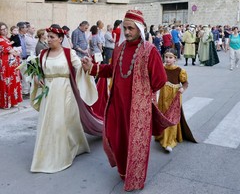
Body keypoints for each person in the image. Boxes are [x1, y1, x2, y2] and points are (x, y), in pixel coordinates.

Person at [82, 10, 168, 191]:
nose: (127, 32)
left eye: (131, 28)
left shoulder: (149, 51)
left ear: (139, 29)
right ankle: (123, 170)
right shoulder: (119, 48)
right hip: (117, 103)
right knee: (115, 136)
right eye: (125, 28)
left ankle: (134, 176)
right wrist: (92, 68)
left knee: (135, 142)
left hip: (138, 107)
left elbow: (160, 80)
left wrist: (143, 92)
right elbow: (112, 70)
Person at [30, 25, 100, 173]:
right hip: (48, 94)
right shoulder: (43, 54)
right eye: (47, 37)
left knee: (61, 122)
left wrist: (87, 66)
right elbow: (37, 71)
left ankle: (66, 151)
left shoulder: (69, 53)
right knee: (48, 123)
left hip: (65, 92)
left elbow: (79, 68)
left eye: (52, 37)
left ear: (60, 39)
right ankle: (47, 153)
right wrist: (37, 77)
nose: (48, 40)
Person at [155, 48, 196, 152]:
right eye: (166, 57)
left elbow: (185, 83)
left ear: (175, 59)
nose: (168, 59)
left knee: (171, 117)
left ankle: (169, 141)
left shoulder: (179, 70)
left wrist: (183, 88)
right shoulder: (162, 68)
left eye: (170, 57)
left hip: (174, 98)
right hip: (163, 97)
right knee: (163, 115)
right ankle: (162, 136)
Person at [0, 22, 22, 109]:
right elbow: (11, 51)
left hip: (13, 64)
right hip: (6, 65)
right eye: (1, 29)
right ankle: (6, 103)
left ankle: (13, 101)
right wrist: (17, 52)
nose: (4, 31)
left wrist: (17, 52)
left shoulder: (8, 38)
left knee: (13, 82)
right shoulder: (1, 40)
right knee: (7, 82)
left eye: (5, 28)